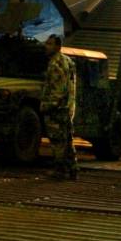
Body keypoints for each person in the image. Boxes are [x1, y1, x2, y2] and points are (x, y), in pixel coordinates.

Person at [41, 34, 78, 180]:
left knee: (57, 141)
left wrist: (48, 105)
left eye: (49, 44)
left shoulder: (55, 63)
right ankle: (73, 169)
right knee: (67, 139)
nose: (46, 46)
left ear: (57, 46)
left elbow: (57, 89)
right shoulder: (67, 60)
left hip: (57, 109)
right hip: (67, 107)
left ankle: (60, 171)